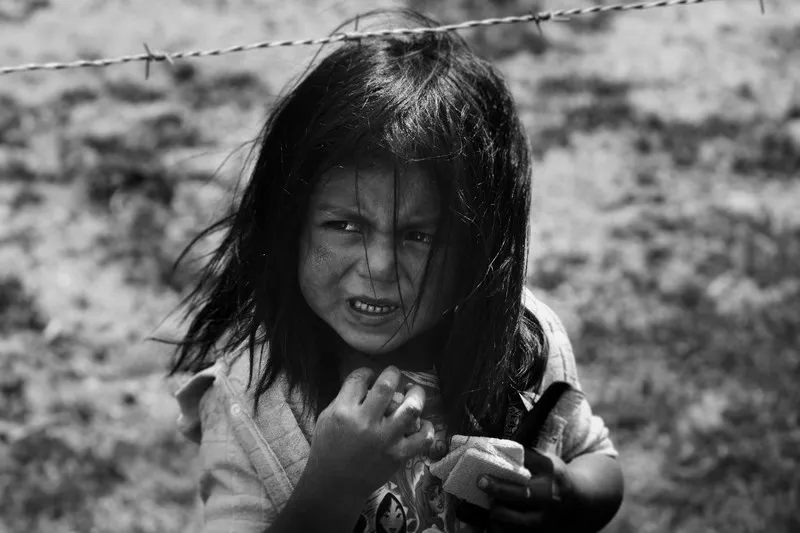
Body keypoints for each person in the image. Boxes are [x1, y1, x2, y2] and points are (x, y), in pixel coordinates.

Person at [170, 8, 623, 533]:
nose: (379, 267)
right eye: (344, 225)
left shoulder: (521, 343)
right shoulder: (250, 405)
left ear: (479, 246)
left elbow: (598, 459)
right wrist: (331, 490)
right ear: (288, 224)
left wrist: (566, 493)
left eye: (419, 236)